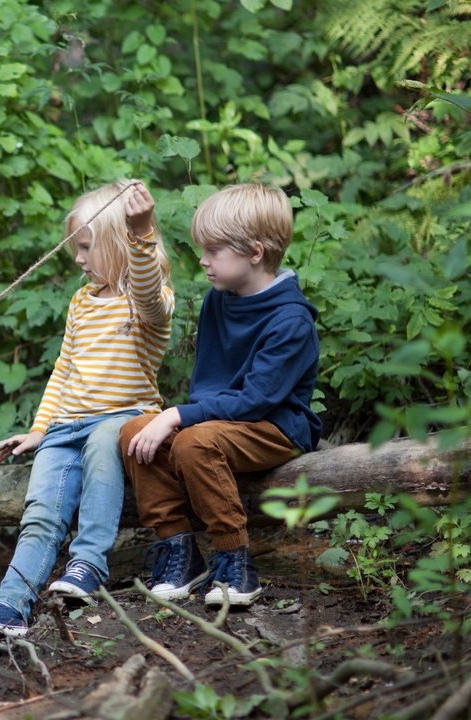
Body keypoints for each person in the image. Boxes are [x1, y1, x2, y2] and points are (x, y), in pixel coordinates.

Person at [0, 180, 174, 641]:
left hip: (123, 418)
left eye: (87, 248)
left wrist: (142, 231)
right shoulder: (79, 303)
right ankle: (9, 606)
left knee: (99, 443)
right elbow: (63, 370)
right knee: (41, 513)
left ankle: (88, 566)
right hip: (67, 425)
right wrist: (40, 429)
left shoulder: (146, 302)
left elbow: (149, 289)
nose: (79, 259)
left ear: (117, 246)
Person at [120, 183, 320, 608]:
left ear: (255, 252)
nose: (203, 260)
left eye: (214, 251)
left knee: (194, 439)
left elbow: (256, 400)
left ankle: (234, 559)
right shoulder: (219, 300)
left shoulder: (291, 321)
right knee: (133, 432)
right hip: (223, 422)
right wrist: (176, 418)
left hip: (274, 426)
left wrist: (177, 415)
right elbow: (211, 387)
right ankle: (179, 551)